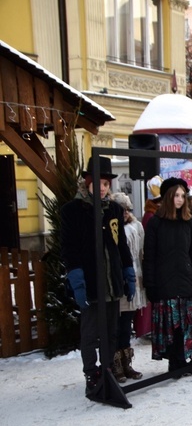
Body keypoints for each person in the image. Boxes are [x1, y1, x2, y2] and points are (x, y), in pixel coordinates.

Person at [61, 158, 134, 396]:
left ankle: (108, 369)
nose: (102, 187)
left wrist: (128, 272)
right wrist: (78, 281)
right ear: (88, 182)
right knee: (91, 333)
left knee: (111, 330)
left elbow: (120, 245)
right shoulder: (72, 210)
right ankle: (91, 374)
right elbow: (70, 249)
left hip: (112, 282)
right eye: (97, 182)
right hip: (91, 282)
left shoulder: (113, 209)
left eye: (105, 183)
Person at [143, 177, 192, 373]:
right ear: (168, 197)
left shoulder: (189, 223)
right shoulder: (155, 223)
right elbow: (149, 256)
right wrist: (150, 284)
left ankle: (182, 358)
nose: (180, 199)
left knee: (184, 321)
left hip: (185, 278)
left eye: (183, 196)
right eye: (176, 195)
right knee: (170, 322)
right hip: (164, 280)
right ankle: (173, 360)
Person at [110, 192, 146, 382]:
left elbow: (141, 252)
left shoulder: (136, 227)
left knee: (126, 325)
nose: (124, 213)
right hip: (118, 281)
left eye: (127, 209)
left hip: (135, 279)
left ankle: (126, 363)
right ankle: (115, 364)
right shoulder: (112, 228)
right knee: (115, 325)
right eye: (120, 209)